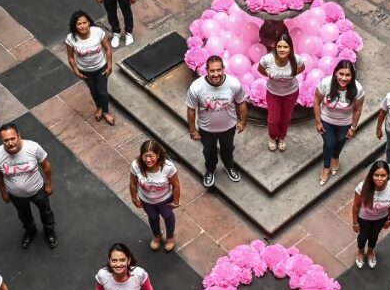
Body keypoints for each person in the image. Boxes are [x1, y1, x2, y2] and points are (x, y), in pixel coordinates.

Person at [0, 124, 56, 248]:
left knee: (46, 212)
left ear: (19, 136)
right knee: (24, 215)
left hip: (38, 191)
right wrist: (3, 192)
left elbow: (46, 166)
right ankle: (31, 231)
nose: (10, 143)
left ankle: (49, 231)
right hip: (16, 196)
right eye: (6, 140)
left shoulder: (33, 147)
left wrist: (49, 184)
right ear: (2, 140)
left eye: (12, 138)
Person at [186, 56, 247, 187]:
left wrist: (242, 122)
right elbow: (191, 110)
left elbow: (241, 103)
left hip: (228, 127)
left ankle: (229, 166)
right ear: (206, 70)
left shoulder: (233, 84)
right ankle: (210, 170)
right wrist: (192, 130)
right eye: (212, 71)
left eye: (219, 70)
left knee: (228, 149)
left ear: (223, 69)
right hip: (207, 129)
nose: (216, 74)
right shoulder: (196, 87)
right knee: (208, 152)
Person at [315, 60, 365, 186]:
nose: (344, 78)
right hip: (327, 120)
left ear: (352, 76)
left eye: (348, 75)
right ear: (335, 73)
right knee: (329, 143)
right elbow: (316, 102)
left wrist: (353, 127)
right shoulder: (326, 83)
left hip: (345, 122)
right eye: (341, 74)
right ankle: (326, 167)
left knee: (340, 141)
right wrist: (318, 122)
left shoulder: (358, 89)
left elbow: (358, 109)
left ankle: (335, 157)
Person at [64, 10, 115, 125]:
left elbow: (107, 48)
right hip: (85, 71)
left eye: (84, 22)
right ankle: (99, 107)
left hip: (101, 67)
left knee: (102, 91)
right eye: (79, 24)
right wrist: (76, 71)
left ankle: (106, 111)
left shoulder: (97, 32)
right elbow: (71, 57)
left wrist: (109, 65)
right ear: (75, 26)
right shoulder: (71, 38)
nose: (82, 26)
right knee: (93, 91)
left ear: (88, 22)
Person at [129, 141, 181, 251]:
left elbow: (176, 185)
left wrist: (176, 201)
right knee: (152, 217)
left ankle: (170, 237)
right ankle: (157, 236)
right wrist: (134, 198)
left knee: (168, 216)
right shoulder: (136, 165)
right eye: (145, 156)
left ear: (158, 155)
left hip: (164, 199)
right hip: (146, 200)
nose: (148, 160)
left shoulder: (168, 167)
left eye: (151, 156)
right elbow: (133, 183)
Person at [258, 29, 304, 151]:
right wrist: (268, 73)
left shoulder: (296, 59)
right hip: (273, 93)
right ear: (276, 47)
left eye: (285, 47)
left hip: (291, 93)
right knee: (274, 119)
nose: (282, 50)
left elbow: (302, 68)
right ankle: (273, 137)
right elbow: (260, 69)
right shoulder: (268, 59)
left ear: (290, 48)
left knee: (286, 118)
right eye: (279, 46)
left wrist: (293, 73)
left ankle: (282, 137)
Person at [352, 160, 390, 269]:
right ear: (371, 175)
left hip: (381, 218)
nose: (379, 178)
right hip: (364, 218)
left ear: (388, 175)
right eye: (376, 175)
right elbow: (356, 205)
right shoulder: (363, 187)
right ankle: (361, 251)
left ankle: (371, 251)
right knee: (363, 236)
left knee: (374, 236)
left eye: (383, 175)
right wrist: (355, 223)